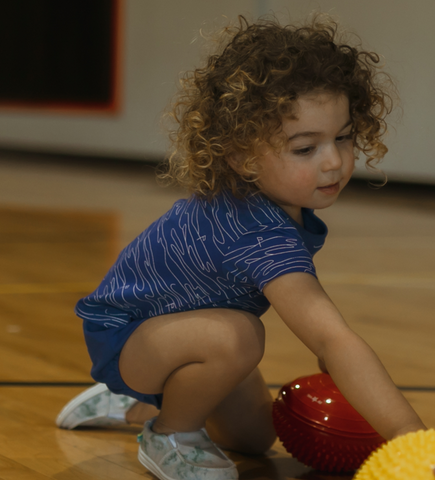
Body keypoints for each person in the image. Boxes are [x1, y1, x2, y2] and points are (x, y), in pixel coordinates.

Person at [56, 15, 427, 480]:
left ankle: (135, 403)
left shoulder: (272, 206)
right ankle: (169, 431)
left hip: (180, 332)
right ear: (240, 155)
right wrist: (411, 439)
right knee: (238, 337)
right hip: (127, 335)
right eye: (304, 148)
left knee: (253, 438)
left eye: (343, 137)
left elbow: (323, 336)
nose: (334, 161)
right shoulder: (254, 230)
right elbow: (332, 337)